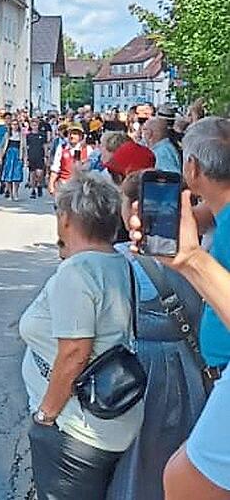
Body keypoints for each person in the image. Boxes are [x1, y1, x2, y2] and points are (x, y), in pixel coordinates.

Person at [19, 171, 144, 499]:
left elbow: (75, 352)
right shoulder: (118, 262)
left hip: (76, 428)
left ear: (67, 219)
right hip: (107, 418)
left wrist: (45, 416)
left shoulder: (77, 272)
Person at [129, 118, 230, 499]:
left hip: (223, 368)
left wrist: (189, 259)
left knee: (187, 476)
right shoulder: (220, 215)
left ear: (192, 169)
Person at [105, 172, 208, 500]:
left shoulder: (119, 258)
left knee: (140, 459)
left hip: (143, 368)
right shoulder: (203, 254)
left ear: (133, 208)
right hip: (192, 364)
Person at [48, 123, 94, 195]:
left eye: (75, 134)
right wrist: (51, 185)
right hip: (64, 185)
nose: (72, 136)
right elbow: (55, 168)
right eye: (70, 133)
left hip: (81, 187)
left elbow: (92, 169)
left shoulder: (87, 149)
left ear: (81, 136)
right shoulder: (62, 148)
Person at [0, 119, 26, 200]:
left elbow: (24, 148)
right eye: (13, 124)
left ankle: (16, 192)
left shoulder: (21, 135)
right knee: (8, 175)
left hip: (18, 155)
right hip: (9, 156)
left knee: (17, 175)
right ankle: (10, 194)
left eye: (16, 124)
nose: (15, 126)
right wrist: (0, 157)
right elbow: (2, 146)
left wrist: (24, 158)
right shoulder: (7, 135)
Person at [27, 117, 48, 199]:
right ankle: (33, 190)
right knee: (32, 173)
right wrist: (26, 158)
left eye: (36, 125)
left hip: (40, 155)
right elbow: (26, 147)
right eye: (33, 125)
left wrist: (46, 155)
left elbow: (45, 145)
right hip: (31, 156)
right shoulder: (29, 136)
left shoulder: (42, 135)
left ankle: (39, 185)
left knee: (39, 173)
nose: (34, 126)